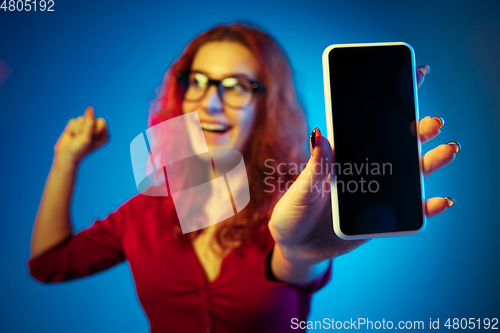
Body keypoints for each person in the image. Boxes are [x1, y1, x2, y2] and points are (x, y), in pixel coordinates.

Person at [28, 23, 459, 332]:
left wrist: (299, 251)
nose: (211, 103)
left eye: (236, 85)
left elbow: (294, 265)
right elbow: (49, 265)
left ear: (266, 105)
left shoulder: (301, 198)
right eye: (197, 81)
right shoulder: (145, 212)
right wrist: (65, 159)